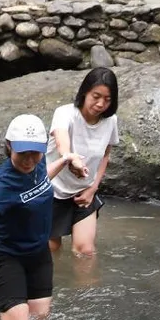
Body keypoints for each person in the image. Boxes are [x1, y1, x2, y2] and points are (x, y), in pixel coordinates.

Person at [0, 113, 77, 320]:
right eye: (22, 153)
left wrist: (64, 161)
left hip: (38, 252)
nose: (29, 159)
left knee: (39, 319)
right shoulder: (2, 183)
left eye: (35, 152)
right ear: (8, 145)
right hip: (8, 256)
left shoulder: (39, 162)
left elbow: (40, 183)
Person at [48, 67, 119, 257]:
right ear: (85, 91)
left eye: (107, 99)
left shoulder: (110, 121)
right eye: (96, 96)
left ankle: (87, 287)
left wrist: (93, 188)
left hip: (83, 193)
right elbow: (62, 141)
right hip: (52, 192)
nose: (100, 104)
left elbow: (105, 155)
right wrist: (70, 158)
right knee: (51, 250)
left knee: (85, 251)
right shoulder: (65, 113)